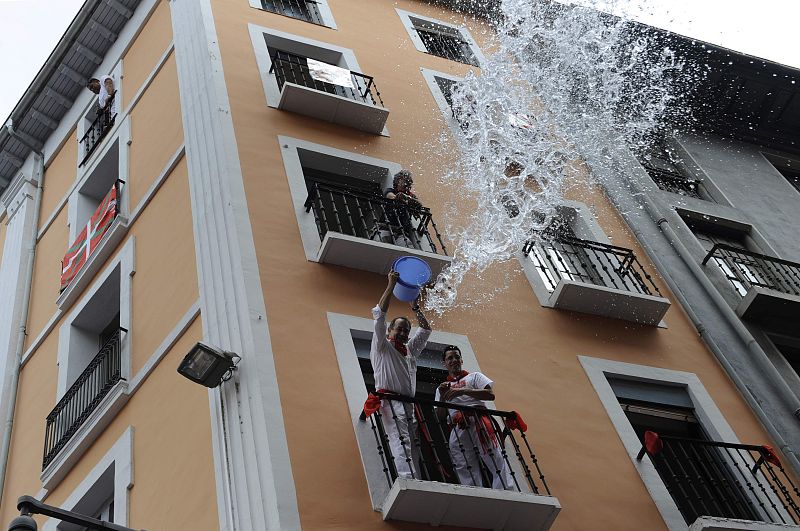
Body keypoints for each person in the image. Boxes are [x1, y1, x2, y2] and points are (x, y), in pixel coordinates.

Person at [370, 270, 431, 478]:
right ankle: (407, 479)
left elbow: (425, 330)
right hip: (391, 401)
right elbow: (379, 314)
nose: (404, 333)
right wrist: (391, 284)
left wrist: (415, 306)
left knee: (413, 444)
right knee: (400, 439)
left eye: (406, 330)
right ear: (389, 331)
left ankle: (417, 479)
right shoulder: (382, 346)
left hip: (408, 404)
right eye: (400, 329)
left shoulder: (409, 351)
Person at [436, 346, 513, 490]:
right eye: (450, 358)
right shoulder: (442, 388)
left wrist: (463, 391)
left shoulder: (474, 376)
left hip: (478, 422)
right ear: (444, 363)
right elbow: (440, 415)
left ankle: (505, 491)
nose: (454, 360)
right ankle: (473, 493)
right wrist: (441, 395)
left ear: (462, 360)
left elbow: (490, 394)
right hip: (458, 426)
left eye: (457, 357)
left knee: (494, 456)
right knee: (463, 463)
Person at [382, 170, 422, 247]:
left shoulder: (412, 196)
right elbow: (390, 196)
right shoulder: (391, 190)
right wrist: (400, 198)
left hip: (402, 233)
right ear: (397, 181)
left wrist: (408, 199)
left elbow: (418, 208)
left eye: (407, 181)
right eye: (403, 180)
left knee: (408, 248)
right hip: (385, 228)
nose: (405, 183)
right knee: (380, 242)